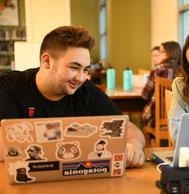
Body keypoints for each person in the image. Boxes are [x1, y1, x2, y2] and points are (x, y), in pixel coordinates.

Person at [0, 26, 145, 167]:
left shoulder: (87, 90)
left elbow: (131, 130)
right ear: (47, 61)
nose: (81, 78)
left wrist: (133, 145)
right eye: (74, 68)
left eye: (85, 69)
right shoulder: (9, 87)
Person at [142, 41, 181, 127]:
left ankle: (151, 139)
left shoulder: (159, 69)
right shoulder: (182, 70)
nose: (158, 55)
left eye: (161, 51)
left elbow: (145, 95)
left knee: (144, 114)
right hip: (178, 118)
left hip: (156, 117)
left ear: (168, 53)